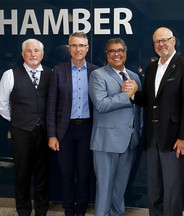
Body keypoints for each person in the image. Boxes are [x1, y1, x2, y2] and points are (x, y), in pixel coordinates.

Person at [128, 27, 184, 215]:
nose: (161, 44)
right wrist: (134, 95)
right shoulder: (151, 67)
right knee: (154, 188)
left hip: (175, 138)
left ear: (173, 41)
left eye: (164, 40)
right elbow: (151, 101)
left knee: (173, 190)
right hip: (152, 137)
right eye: (157, 42)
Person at [88, 37, 142, 216]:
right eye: (112, 51)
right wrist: (126, 95)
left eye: (120, 50)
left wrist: (138, 131)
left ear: (125, 54)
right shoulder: (98, 75)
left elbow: (139, 108)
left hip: (129, 141)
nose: (116, 54)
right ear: (107, 54)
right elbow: (101, 105)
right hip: (106, 143)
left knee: (120, 190)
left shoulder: (134, 76)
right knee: (105, 189)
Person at [46, 32, 97, 216]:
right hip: (64, 131)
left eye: (82, 45)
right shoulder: (58, 71)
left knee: (84, 173)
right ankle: (68, 209)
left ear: (87, 48)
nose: (78, 49)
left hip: (87, 129)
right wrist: (52, 135)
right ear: (69, 49)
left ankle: (81, 209)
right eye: (74, 46)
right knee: (66, 173)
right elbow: (51, 105)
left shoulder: (95, 71)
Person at [0, 38, 51, 216]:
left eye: (36, 51)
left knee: (43, 174)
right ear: (23, 54)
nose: (33, 54)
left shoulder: (50, 74)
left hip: (44, 132)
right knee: (22, 173)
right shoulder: (10, 75)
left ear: (42, 54)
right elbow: (2, 105)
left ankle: (42, 210)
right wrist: (18, 120)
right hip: (21, 131)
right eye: (28, 51)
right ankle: (22, 210)